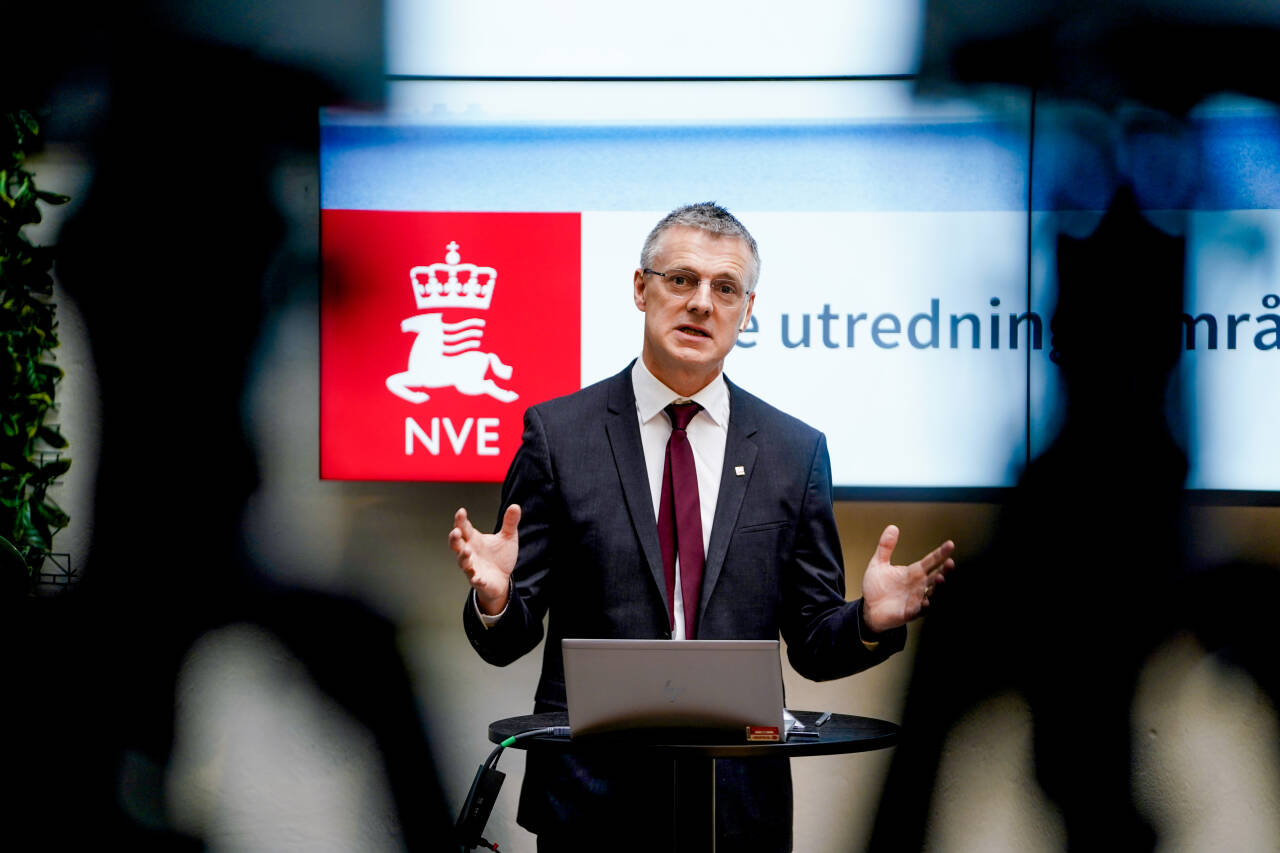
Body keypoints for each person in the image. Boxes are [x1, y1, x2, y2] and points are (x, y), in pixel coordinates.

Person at [449, 202, 955, 852]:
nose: (700, 303)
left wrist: (868, 620)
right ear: (640, 287)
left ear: (748, 311)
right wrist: (495, 600)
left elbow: (811, 640)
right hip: (589, 799)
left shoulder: (792, 451)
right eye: (680, 279)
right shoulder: (558, 436)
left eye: (724, 288)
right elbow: (509, 636)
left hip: (736, 801)